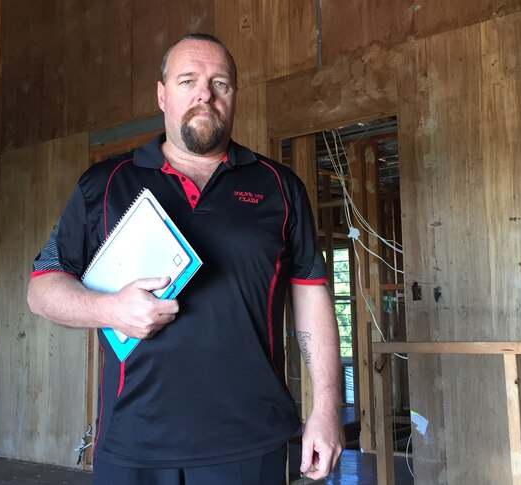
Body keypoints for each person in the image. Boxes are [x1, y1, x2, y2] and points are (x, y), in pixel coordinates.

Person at [27, 33, 344, 484]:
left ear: (234, 97)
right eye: (188, 80)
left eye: (221, 83)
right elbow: (41, 290)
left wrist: (327, 407)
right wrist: (109, 309)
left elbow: (311, 297)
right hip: (133, 441)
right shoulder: (105, 184)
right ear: (161, 94)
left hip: (250, 441)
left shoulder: (279, 186)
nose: (205, 93)